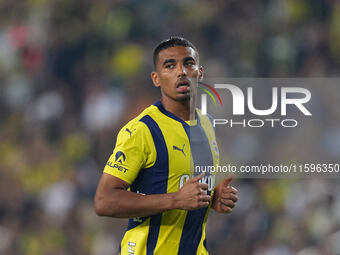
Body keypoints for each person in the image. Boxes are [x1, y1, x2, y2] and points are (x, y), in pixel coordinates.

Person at [94, 36, 238, 255]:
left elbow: (183, 189)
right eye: (170, 66)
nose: (181, 72)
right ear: (156, 78)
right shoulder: (143, 130)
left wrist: (212, 198)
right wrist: (175, 200)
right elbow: (104, 201)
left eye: (188, 63)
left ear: (199, 73)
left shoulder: (208, 126)